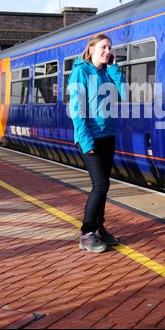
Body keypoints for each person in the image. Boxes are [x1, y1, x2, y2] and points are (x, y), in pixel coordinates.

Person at [68, 33, 128, 253]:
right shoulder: (80, 72)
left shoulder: (107, 73)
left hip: (107, 136)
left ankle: (99, 229)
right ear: (91, 49)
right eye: (103, 47)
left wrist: (114, 69)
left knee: (105, 185)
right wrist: (85, 141)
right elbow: (77, 111)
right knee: (100, 184)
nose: (108, 51)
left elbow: (125, 94)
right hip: (90, 137)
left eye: (110, 48)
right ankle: (86, 232)